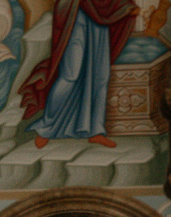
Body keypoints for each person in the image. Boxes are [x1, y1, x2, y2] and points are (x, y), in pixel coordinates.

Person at [17, 0, 140, 149]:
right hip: (74, 13)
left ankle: (96, 131)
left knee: (100, 76)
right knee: (70, 74)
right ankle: (46, 128)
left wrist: (124, 6)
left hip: (99, 20)